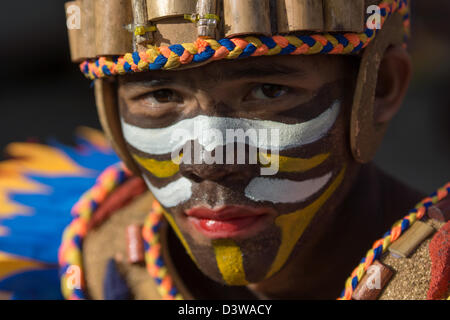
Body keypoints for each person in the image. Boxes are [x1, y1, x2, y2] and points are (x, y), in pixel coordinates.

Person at [1, 0, 449, 300]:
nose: (207, 163)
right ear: (110, 112)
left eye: (269, 90)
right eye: (160, 96)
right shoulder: (84, 260)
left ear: (378, 89)